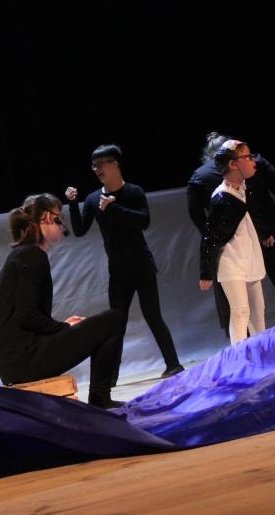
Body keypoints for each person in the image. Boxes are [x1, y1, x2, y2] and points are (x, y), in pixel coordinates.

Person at [0, 193, 126, 409]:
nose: (62, 223)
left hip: (16, 359)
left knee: (102, 323)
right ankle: (100, 398)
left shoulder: (22, 254)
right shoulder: (32, 256)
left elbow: (25, 316)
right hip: (24, 360)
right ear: (47, 218)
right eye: (59, 217)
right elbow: (26, 316)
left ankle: (100, 397)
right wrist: (63, 327)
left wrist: (62, 327)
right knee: (114, 319)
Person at [65, 144, 183, 383]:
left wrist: (114, 208)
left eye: (101, 164)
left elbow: (144, 221)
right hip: (118, 271)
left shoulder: (133, 192)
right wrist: (74, 203)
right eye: (94, 166)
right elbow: (79, 230)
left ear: (115, 164)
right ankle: (111, 377)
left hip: (142, 266)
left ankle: (174, 364)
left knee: (153, 316)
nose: (97, 169)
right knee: (116, 324)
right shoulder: (93, 199)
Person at [189, 131, 275, 320]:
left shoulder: (199, 177)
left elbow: (195, 214)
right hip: (269, 234)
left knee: (236, 303)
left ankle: (242, 338)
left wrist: (214, 236)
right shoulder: (256, 162)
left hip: (233, 244)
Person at [199, 140, 267, 344]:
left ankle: (262, 353)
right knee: (240, 311)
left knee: (258, 311)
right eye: (247, 157)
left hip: (248, 256)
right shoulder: (223, 198)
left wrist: (265, 233)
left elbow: (251, 217)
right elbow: (210, 236)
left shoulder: (244, 189)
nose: (253, 161)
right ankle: (238, 358)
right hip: (231, 260)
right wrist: (206, 271)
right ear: (232, 164)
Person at [187, 131, 237, 338]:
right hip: (243, 234)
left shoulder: (199, 176)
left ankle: (236, 339)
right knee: (250, 292)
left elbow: (195, 213)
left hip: (218, 239)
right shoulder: (237, 169)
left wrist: (209, 232)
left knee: (226, 293)